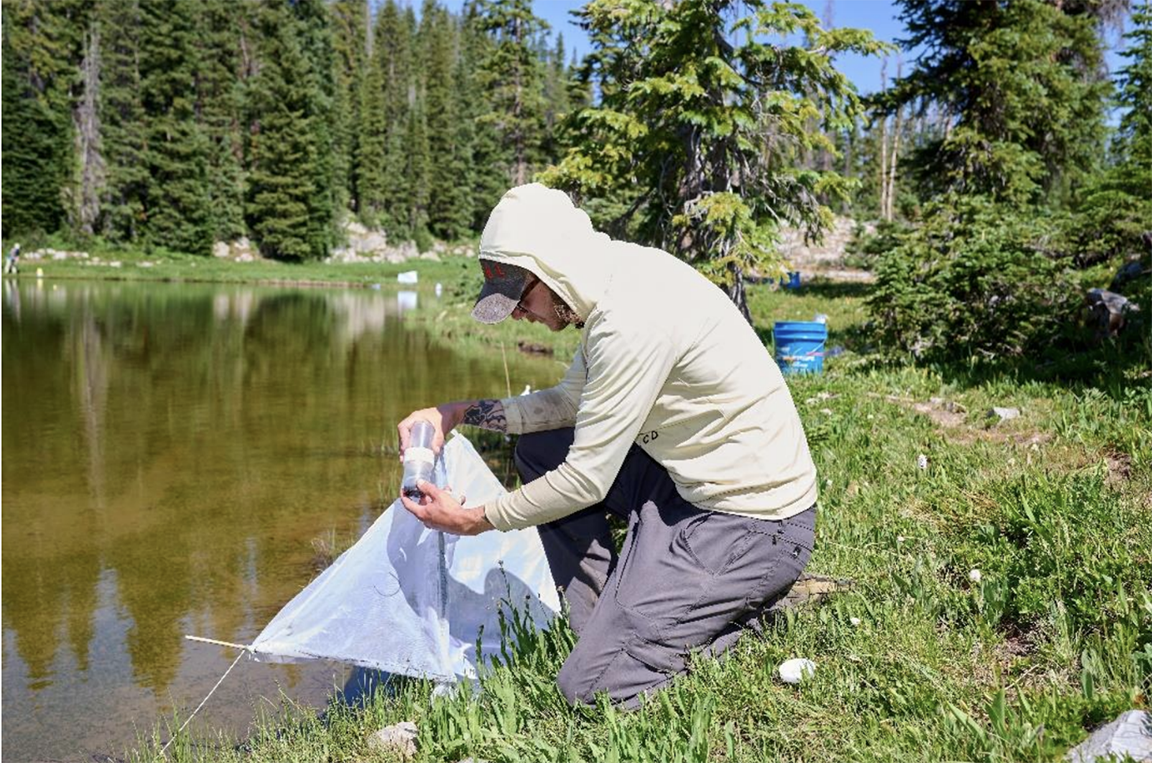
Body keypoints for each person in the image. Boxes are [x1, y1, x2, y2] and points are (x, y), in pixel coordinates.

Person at [398, 183, 817, 709]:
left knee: (588, 692)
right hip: (688, 489)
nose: (517, 316)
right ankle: (603, 627)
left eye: (521, 298)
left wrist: (474, 518)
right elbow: (569, 403)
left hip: (754, 525)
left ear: (554, 269)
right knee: (539, 447)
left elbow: (585, 481)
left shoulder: (629, 319)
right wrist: (457, 414)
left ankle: (740, 620)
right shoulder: (615, 281)